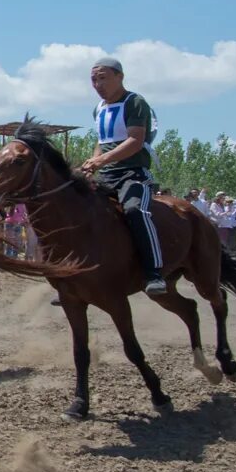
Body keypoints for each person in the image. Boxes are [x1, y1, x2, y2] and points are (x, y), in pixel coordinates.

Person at [79, 56, 167, 298]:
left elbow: (135, 141)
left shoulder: (135, 102)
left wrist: (101, 160)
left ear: (120, 76)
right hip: (106, 176)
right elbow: (102, 143)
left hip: (133, 174)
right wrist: (92, 164)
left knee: (134, 211)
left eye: (103, 78)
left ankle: (154, 273)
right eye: (94, 79)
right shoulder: (98, 109)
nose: (97, 84)